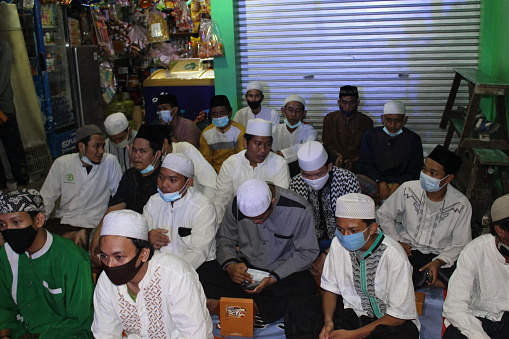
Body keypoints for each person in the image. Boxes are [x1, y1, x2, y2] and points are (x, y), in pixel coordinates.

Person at [284, 193, 420, 339]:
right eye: (340, 229)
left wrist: (353, 335)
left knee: (404, 335)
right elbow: (330, 288)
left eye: (353, 231)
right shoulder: (338, 244)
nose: (345, 235)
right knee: (299, 306)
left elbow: (399, 316)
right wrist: (328, 321)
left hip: (386, 322)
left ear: (372, 228)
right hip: (353, 314)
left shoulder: (394, 255)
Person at [200, 178, 318, 323]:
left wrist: (274, 278)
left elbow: (306, 252)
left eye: (260, 217)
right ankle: (256, 305)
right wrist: (231, 266)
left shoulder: (299, 209)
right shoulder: (237, 204)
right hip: (246, 269)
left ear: (272, 202)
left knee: (305, 285)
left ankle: (240, 305)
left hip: (281, 273)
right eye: (251, 219)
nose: (256, 222)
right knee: (202, 271)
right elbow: (225, 239)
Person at [92, 209, 213, 338]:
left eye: (119, 257)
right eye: (104, 256)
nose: (110, 265)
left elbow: (195, 335)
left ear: (144, 254)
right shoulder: (106, 280)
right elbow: (104, 332)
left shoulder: (176, 275)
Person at [0, 189, 94, 339]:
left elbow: (80, 320)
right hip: (19, 332)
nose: (9, 230)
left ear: (39, 220)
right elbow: (3, 306)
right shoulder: (6, 255)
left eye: (16, 222)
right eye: (3, 225)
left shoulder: (73, 259)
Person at [377, 144, 472, 288]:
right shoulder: (408, 189)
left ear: (448, 178)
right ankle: (427, 280)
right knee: (386, 270)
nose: (426, 175)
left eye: (433, 173)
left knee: (465, 280)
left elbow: (460, 243)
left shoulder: (461, 204)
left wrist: (439, 261)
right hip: (409, 249)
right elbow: (384, 214)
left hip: (440, 255)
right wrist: (397, 241)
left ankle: (427, 279)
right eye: (424, 169)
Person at [89, 124, 165, 263]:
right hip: (130, 237)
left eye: (142, 151)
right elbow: (114, 208)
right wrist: (97, 237)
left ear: (157, 154)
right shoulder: (130, 176)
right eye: (134, 150)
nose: (136, 156)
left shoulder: (165, 179)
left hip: (157, 243)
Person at [40, 124, 122, 249]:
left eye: (102, 146)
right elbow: (46, 197)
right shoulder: (62, 164)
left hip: (94, 221)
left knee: (83, 243)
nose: (101, 151)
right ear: (81, 146)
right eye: (96, 146)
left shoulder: (110, 162)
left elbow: (119, 196)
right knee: (44, 244)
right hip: (66, 219)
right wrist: (39, 222)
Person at [442, 194, 509, 339]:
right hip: (477, 318)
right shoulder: (476, 250)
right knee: (454, 336)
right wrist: (478, 336)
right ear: (500, 230)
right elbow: (454, 306)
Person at [290, 141, 360, 276]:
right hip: (308, 244)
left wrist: (328, 253)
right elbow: (296, 226)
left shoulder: (347, 180)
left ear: (329, 167)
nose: (313, 179)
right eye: (307, 175)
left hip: (344, 242)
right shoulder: (295, 184)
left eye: (319, 174)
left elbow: (354, 227)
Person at [144, 153, 217, 270]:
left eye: (172, 180)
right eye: (161, 177)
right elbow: (140, 241)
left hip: (196, 269)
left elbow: (198, 253)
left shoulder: (203, 207)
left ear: (188, 183)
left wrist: (170, 274)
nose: (164, 185)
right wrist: (146, 238)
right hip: (157, 267)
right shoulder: (153, 202)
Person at [214, 118, 290, 223]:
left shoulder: (279, 164)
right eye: (257, 144)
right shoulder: (231, 164)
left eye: (267, 144)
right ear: (245, 142)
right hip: (238, 222)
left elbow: (281, 200)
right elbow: (221, 200)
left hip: (270, 222)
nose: (263, 150)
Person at [359, 100, 423, 201]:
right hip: (374, 182)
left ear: (405, 120)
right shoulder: (371, 136)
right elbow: (365, 164)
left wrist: (398, 184)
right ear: (382, 118)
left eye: (398, 121)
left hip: (403, 183)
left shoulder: (413, 139)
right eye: (389, 120)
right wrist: (381, 182)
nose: (393, 125)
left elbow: (415, 169)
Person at [0, 40, 29, 193]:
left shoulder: (3, 46)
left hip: (4, 107)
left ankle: (22, 185)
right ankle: (2, 188)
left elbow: (3, 77)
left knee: (13, 147)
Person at [322, 85, 373, 172]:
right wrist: (338, 156)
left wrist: (353, 161)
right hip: (334, 161)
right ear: (339, 102)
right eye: (344, 103)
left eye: (351, 103)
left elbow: (367, 149)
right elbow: (327, 145)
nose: (348, 107)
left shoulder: (366, 121)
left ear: (358, 103)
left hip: (358, 164)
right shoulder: (329, 119)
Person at [272, 95, 317, 176]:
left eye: (298, 111)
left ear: (304, 113)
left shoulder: (309, 130)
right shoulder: (274, 130)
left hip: (301, 171)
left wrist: (281, 153)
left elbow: (309, 146)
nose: (293, 114)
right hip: (276, 170)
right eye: (290, 110)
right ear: (283, 110)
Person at [200, 95, 246, 172]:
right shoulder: (206, 133)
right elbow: (206, 162)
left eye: (222, 113)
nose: (218, 117)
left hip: (236, 172)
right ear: (211, 115)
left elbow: (243, 158)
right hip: (214, 173)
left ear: (230, 113)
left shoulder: (240, 131)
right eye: (214, 114)